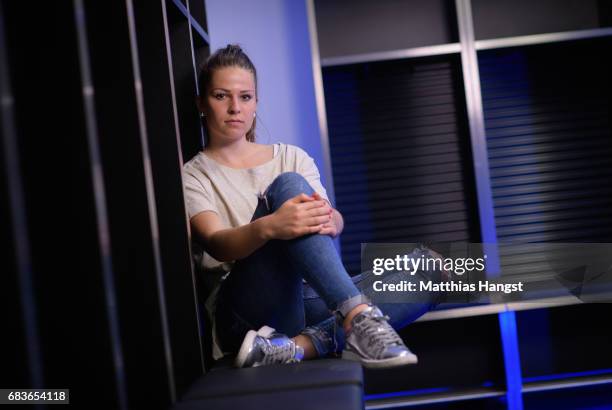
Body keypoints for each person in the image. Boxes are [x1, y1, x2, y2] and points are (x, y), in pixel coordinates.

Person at [183, 44, 445, 369]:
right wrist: (271, 226)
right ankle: (358, 317)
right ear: (201, 104)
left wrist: (332, 221)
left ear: (255, 104)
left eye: (245, 97)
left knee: (436, 271)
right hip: (244, 312)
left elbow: (329, 219)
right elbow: (217, 244)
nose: (235, 107)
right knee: (288, 185)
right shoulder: (195, 173)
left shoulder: (291, 155)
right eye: (221, 96)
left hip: (304, 300)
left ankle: (296, 348)